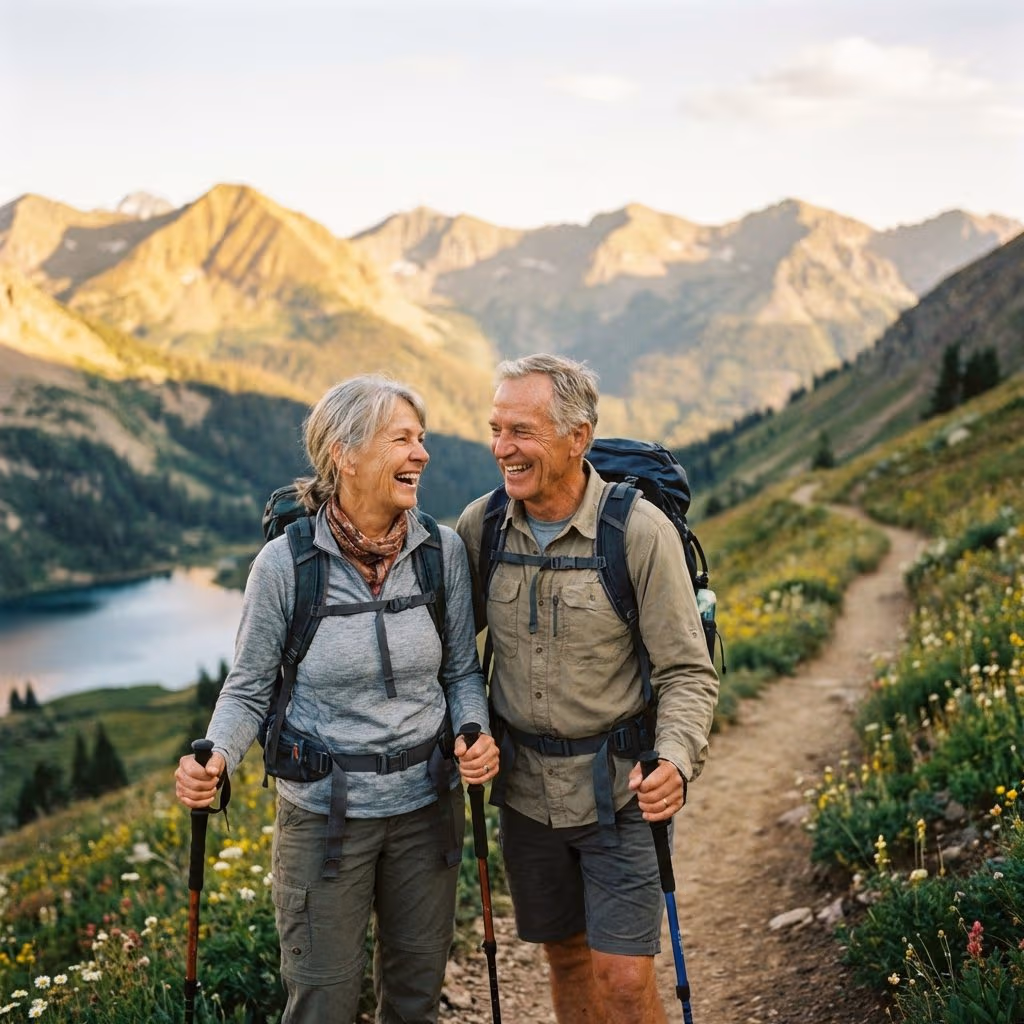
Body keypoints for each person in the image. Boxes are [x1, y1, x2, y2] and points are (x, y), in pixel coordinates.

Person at [175, 374, 499, 1024]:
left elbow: (462, 671)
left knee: (414, 999)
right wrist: (216, 759)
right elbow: (248, 687)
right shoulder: (284, 566)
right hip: (322, 819)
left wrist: (473, 730)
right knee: (321, 1001)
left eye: (423, 438)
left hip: (426, 812)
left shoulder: (442, 555)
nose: (422, 454)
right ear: (345, 455)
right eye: (402, 439)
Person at [456, 354, 719, 1024]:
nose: (501, 449)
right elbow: (450, 653)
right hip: (524, 794)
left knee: (625, 981)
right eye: (495, 429)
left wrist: (677, 760)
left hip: (622, 792)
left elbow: (687, 671)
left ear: (578, 437)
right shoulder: (481, 528)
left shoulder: (636, 533)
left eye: (521, 431)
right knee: (566, 959)